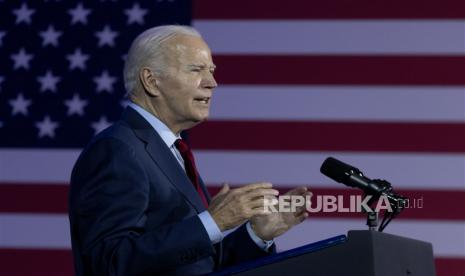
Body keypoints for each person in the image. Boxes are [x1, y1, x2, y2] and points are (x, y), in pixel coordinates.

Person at [68, 25, 310, 276]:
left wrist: (256, 235)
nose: (212, 83)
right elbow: (108, 263)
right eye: (196, 70)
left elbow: (199, 265)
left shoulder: (171, 150)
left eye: (212, 71)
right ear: (152, 81)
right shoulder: (117, 149)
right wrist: (213, 222)